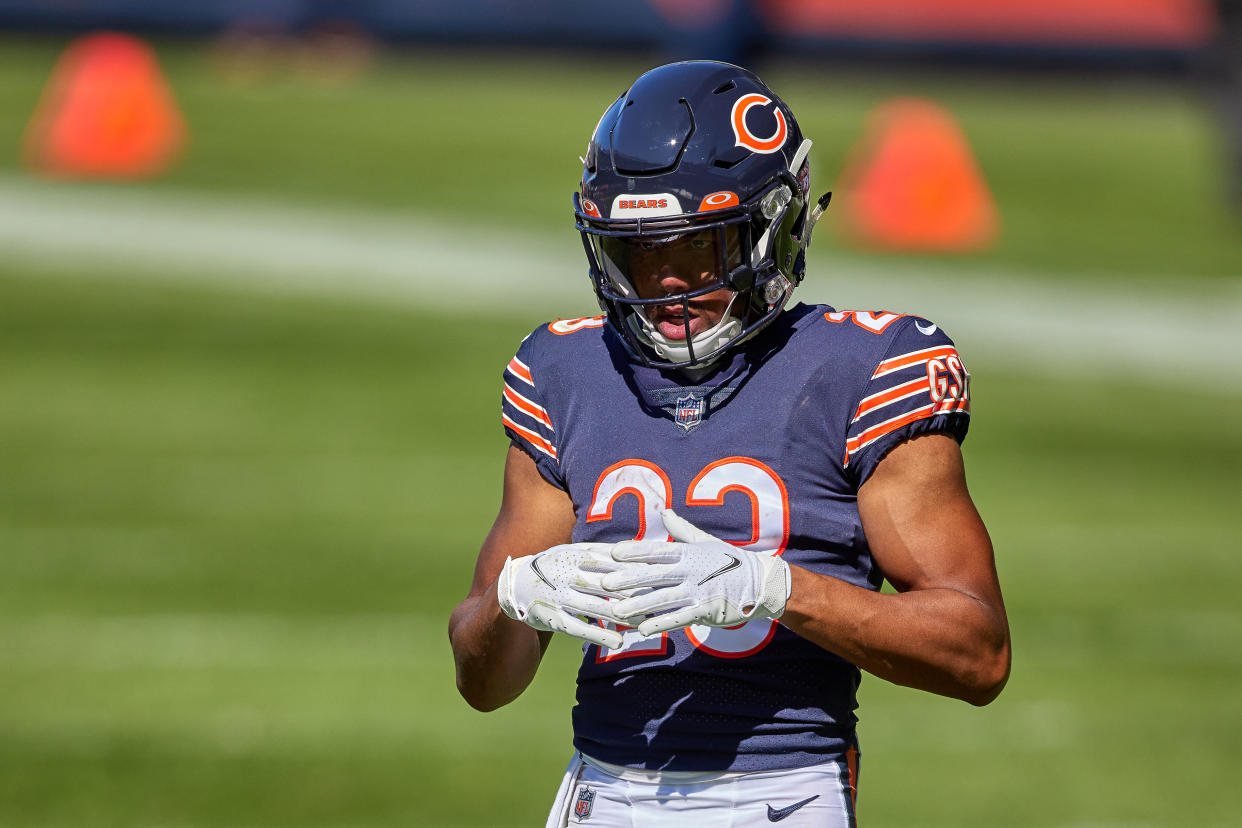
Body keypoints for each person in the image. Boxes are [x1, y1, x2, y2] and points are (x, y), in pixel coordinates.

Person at [448, 60, 1010, 827]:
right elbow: (485, 684)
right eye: (642, 254)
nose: (669, 287)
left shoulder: (866, 369)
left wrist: (774, 589)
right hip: (598, 793)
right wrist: (515, 600)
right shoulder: (563, 369)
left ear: (773, 231)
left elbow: (977, 654)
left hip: (779, 793)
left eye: (699, 251)